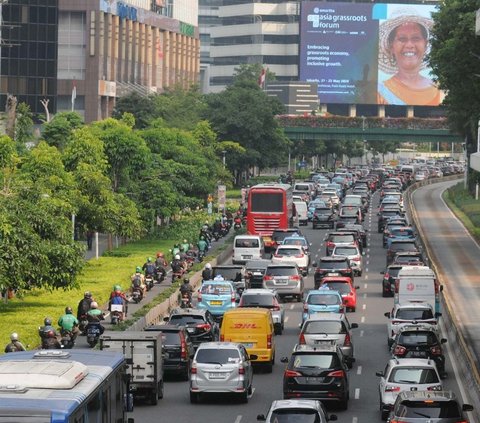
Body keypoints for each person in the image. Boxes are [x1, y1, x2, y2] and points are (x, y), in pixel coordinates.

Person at [377, 12, 444, 106]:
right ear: (391, 46)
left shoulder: (441, 90)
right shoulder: (380, 92)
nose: (409, 45)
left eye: (416, 38)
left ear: (425, 45)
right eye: (402, 39)